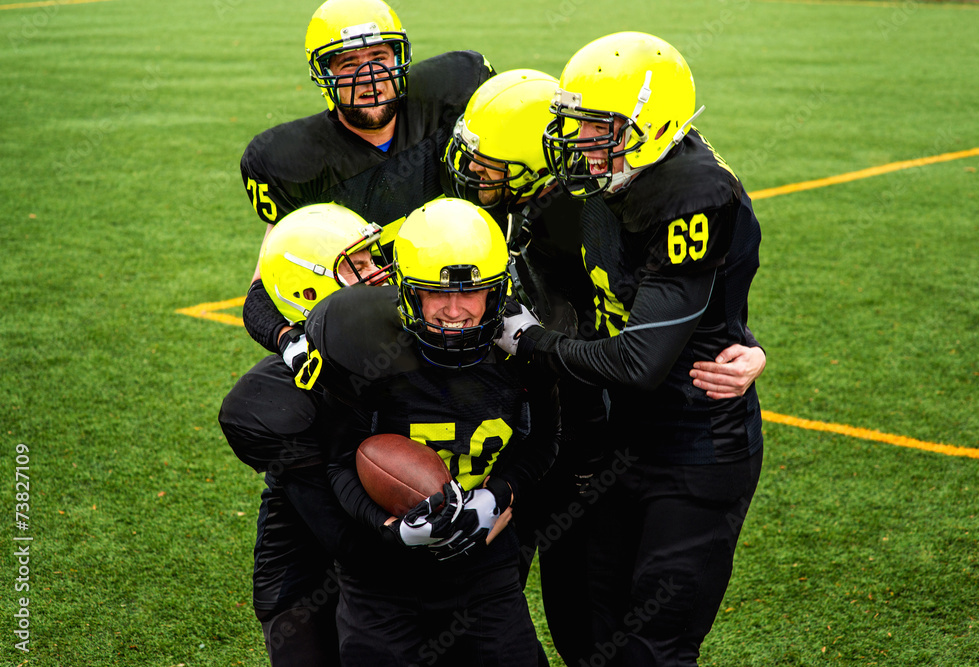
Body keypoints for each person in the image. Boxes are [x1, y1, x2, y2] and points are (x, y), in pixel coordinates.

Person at [446, 67, 766, 665]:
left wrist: (533, 341)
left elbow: (654, 341)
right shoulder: (593, 189)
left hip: (681, 442)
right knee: (584, 636)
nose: (577, 143)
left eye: (594, 131)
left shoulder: (661, 196)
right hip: (586, 437)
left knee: (649, 649)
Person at [220, 0, 493, 662]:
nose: (370, 78)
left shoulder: (452, 97)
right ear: (324, 74)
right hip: (349, 366)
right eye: (349, 63)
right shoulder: (294, 160)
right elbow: (265, 287)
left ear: (402, 57)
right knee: (282, 449)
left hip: (442, 355)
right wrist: (296, 344)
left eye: (379, 59)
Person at [301, 198, 559, 666]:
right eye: (435, 293)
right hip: (381, 577)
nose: (454, 310)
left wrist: (496, 495)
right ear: (406, 293)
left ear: (499, 293)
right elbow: (338, 462)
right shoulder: (364, 345)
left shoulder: (524, 352)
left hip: (483, 569)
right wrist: (392, 530)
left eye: (472, 292)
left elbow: (542, 442)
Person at [219, 202, 392, 665]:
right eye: (358, 266)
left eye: (372, 259)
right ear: (313, 284)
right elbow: (350, 541)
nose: (378, 273)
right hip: (312, 560)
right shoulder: (279, 398)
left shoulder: (394, 338)